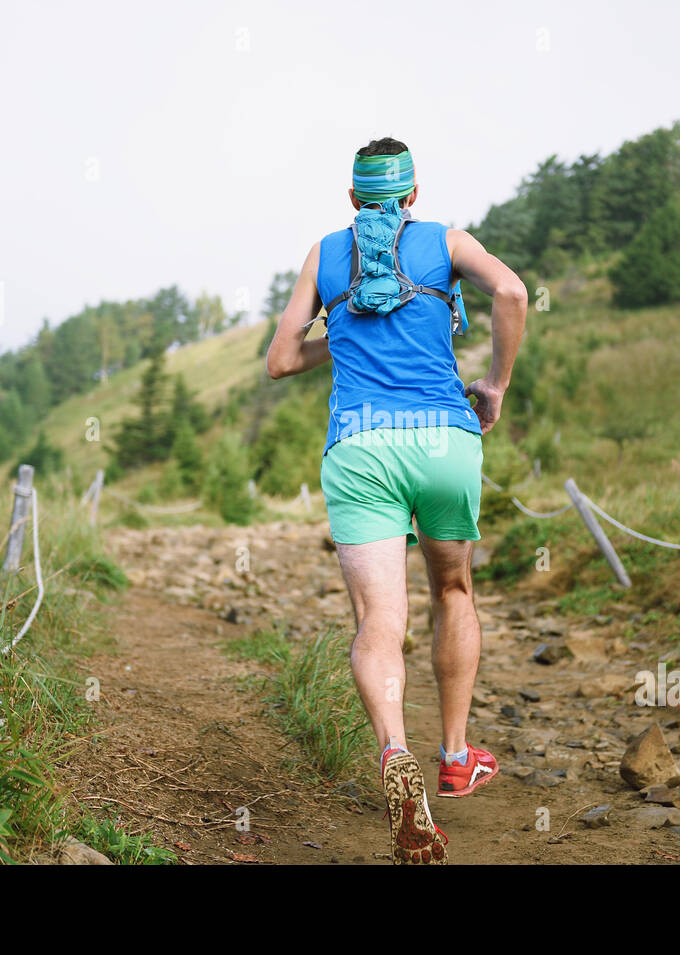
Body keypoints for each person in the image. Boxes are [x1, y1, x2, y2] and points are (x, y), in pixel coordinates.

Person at [265, 137, 527, 864]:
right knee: (454, 588)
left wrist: (340, 336)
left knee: (380, 618)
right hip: (444, 440)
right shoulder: (446, 240)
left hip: (361, 449)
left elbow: (281, 359)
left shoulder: (325, 254)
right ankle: (453, 755)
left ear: (352, 200)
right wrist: (496, 386)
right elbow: (511, 292)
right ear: (412, 195)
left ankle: (394, 755)